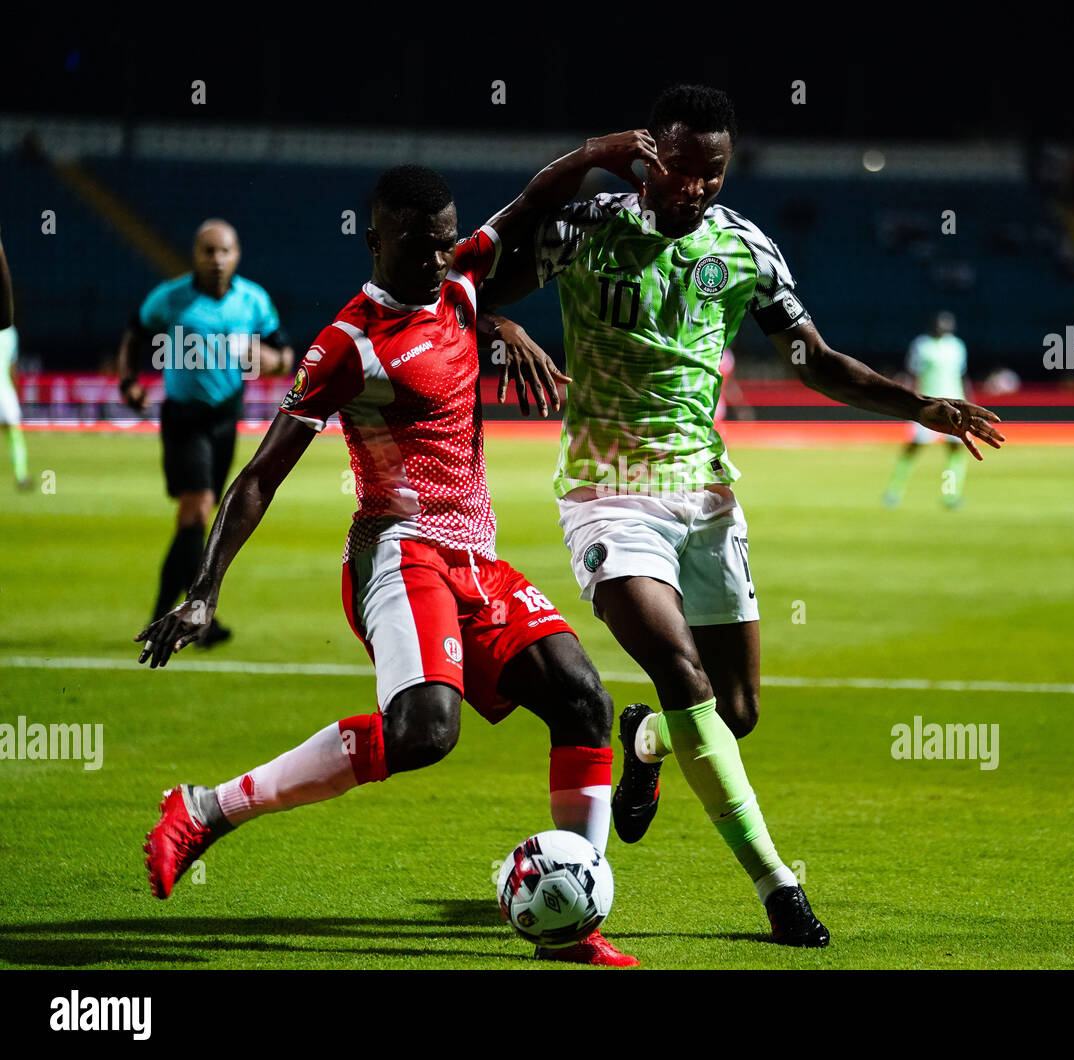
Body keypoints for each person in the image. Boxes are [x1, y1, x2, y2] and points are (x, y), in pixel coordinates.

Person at [481, 85, 1004, 947]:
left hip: (707, 496)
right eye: (680, 168)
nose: (694, 187)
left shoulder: (746, 250)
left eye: (711, 173)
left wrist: (920, 406)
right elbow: (472, 281)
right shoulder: (587, 228)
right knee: (683, 675)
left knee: (738, 709)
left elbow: (817, 361)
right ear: (651, 158)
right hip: (607, 491)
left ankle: (647, 740)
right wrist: (501, 321)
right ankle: (777, 885)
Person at [137, 138, 674, 966]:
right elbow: (259, 477)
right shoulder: (348, 343)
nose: (435, 255)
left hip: (475, 560)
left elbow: (532, 202)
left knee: (582, 700)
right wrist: (206, 588)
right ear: (375, 241)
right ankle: (204, 809)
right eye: (416, 242)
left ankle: (573, 929)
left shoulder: (460, 282)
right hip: (397, 552)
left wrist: (603, 153)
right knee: (426, 730)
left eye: (445, 237)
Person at [118, 220, 294, 644]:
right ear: (194, 255)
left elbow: (285, 352)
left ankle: (170, 616)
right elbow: (134, 335)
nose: (216, 260)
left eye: (224, 251)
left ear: (237, 255)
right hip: (183, 419)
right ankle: (194, 617)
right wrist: (129, 382)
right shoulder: (170, 298)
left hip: (223, 420)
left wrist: (276, 360)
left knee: (196, 522)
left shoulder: (253, 300)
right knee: (196, 512)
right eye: (207, 251)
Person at [883, 311, 971, 509]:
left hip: (954, 406)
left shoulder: (957, 346)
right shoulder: (921, 345)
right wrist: (908, 403)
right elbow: (912, 375)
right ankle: (894, 490)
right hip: (927, 405)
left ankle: (951, 494)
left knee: (955, 450)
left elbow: (962, 376)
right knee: (913, 448)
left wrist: (969, 403)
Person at [0, 228, 32, 490]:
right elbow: (12, 369)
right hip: (5, 393)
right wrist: (17, 389)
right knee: (14, 434)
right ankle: (21, 474)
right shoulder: (11, 333)